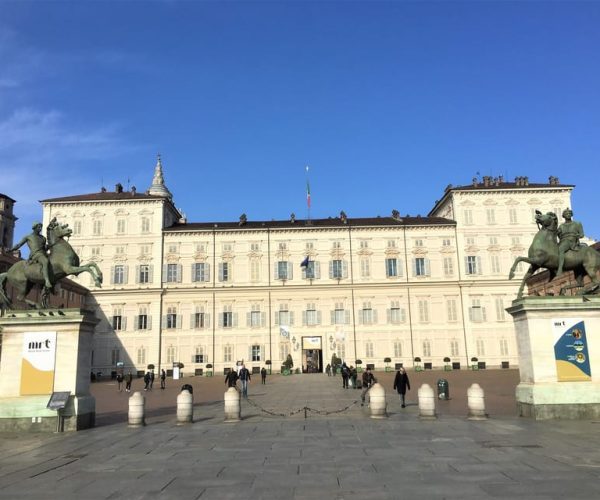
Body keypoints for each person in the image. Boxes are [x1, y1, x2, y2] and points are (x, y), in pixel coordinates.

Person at [9, 221, 52, 289]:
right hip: (35, 255)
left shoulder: (43, 238)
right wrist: (10, 250)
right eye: (38, 227)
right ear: (34, 228)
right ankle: (47, 281)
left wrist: (49, 246)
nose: (40, 228)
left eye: (41, 227)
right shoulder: (28, 237)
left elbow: (44, 249)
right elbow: (18, 245)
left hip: (43, 254)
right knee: (45, 261)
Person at [557, 208, 584, 276]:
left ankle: (560, 268)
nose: (568, 215)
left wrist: (578, 235)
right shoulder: (561, 226)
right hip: (563, 241)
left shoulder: (577, 224)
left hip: (572, 240)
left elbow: (582, 234)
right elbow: (558, 236)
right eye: (566, 214)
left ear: (571, 215)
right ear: (564, 216)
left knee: (561, 249)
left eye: (569, 214)